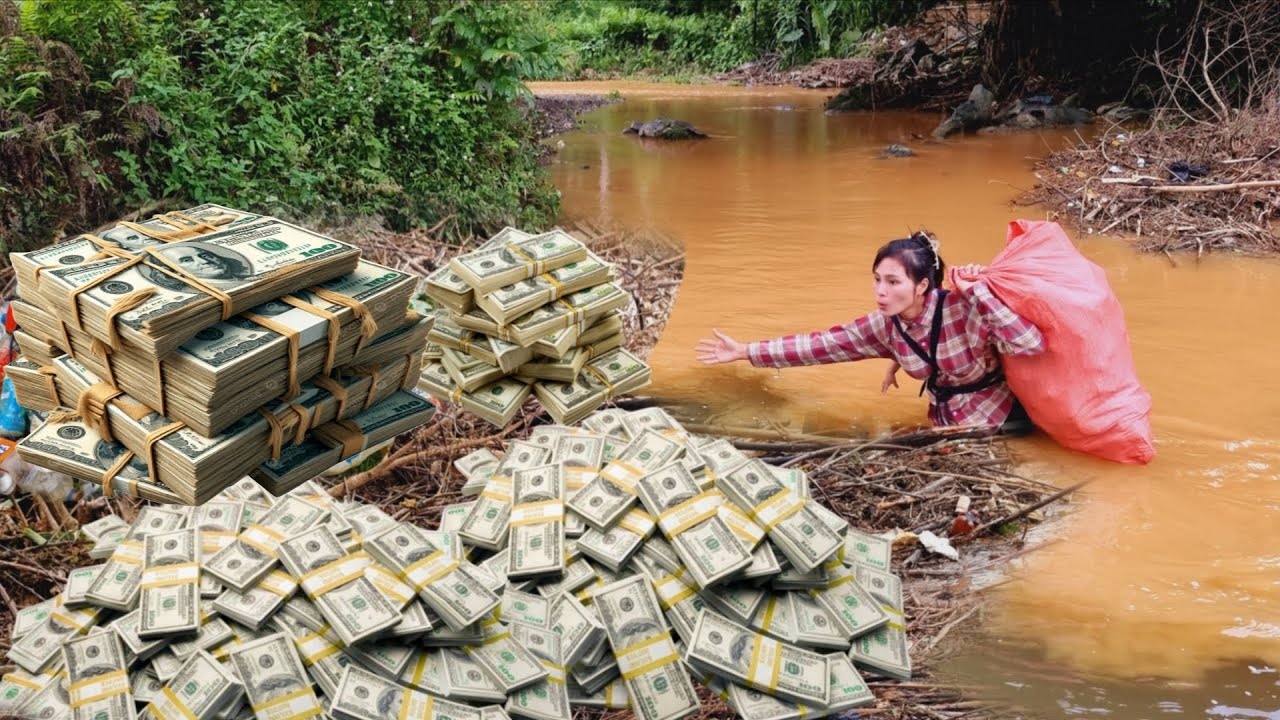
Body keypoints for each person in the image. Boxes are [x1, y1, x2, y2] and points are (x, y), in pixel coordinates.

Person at [695, 231, 1045, 434]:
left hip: (1000, 421)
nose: (880, 291)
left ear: (922, 285)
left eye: (893, 282)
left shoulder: (963, 307)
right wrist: (745, 351)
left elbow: (1030, 345)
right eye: (877, 280)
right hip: (945, 420)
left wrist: (978, 289)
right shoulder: (883, 325)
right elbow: (822, 345)